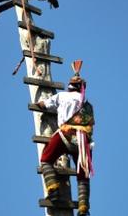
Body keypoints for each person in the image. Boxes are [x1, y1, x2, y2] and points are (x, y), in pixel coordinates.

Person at [36, 70, 94, 216]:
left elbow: (45, 104)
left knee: (45, 160)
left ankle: (53, 189)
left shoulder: (62, 96)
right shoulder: (88, 105)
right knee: (83, 176)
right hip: (83, 142)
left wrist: (39, 103)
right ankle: (83, 209)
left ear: (70, 86)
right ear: (82, 88)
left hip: (66, 136)